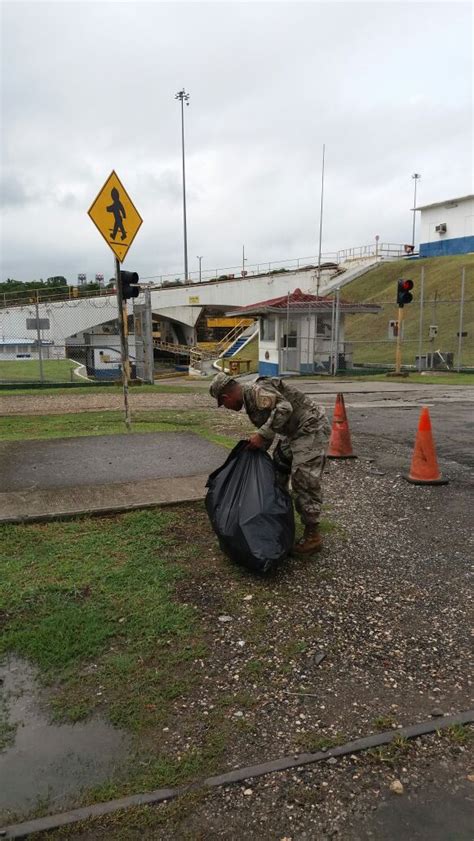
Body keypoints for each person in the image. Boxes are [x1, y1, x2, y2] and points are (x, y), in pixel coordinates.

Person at [209, 372, 331, 554]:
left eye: (223, 403)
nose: (225, 407)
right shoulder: (250, 398)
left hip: (310, 427)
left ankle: (312, 535)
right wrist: (258, 446)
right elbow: (272, 423)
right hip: (294, 432)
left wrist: (262, 435)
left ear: (226, 396)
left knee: (303, 478)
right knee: (278, 467)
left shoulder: (256, 391)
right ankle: (278, 517)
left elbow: (285, 409)